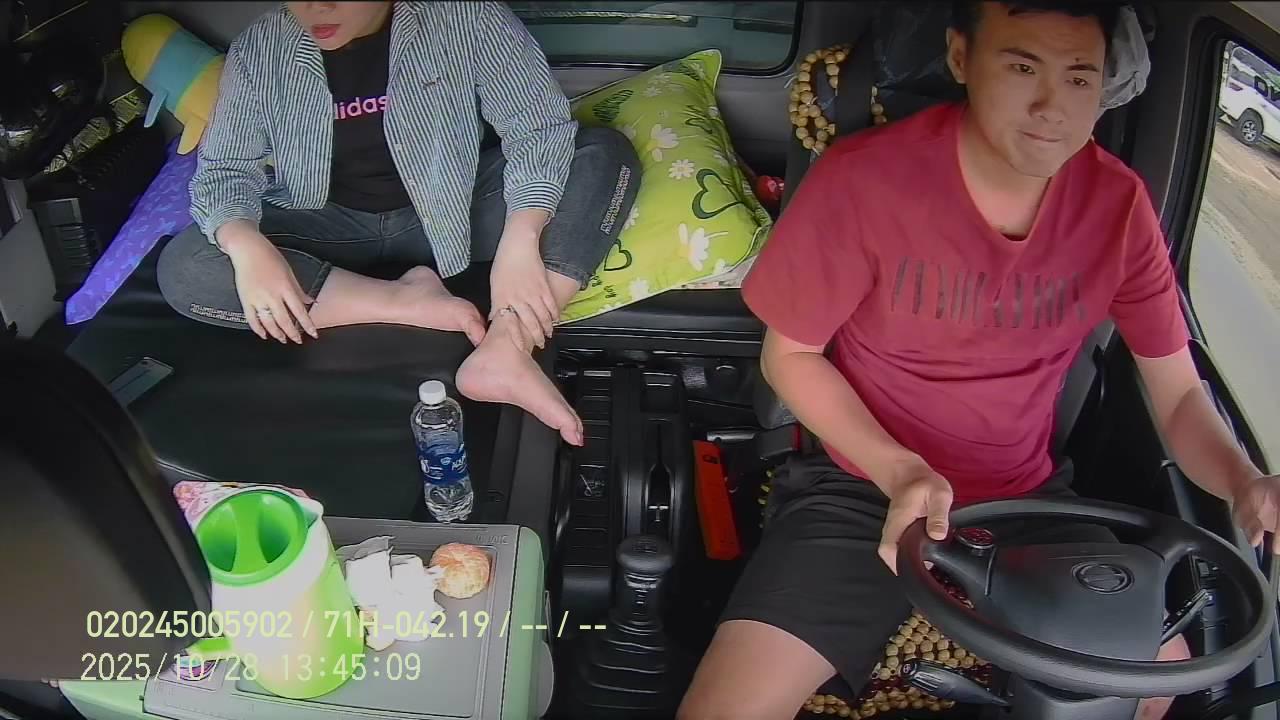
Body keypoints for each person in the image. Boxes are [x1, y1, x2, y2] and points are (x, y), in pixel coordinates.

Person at [678, 2, 1280, 719]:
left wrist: (1243, 482)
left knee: (1157, 687)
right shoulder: (864, 181)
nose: (1052, 106)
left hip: (1030, 502)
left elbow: (1178, 394)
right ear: (962, 59)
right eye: (1022, 68)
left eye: (1079, 78)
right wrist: (898, 469)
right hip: (861, 489)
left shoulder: (1119, 206)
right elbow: (792, 356)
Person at [157, 1, 641, 446]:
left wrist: (522, 239)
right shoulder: (260, 49)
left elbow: (537, 128)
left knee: (602, 153)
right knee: (188, 267)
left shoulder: (465, 15)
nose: (318, 8)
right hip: (329, 225)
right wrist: (245, 243)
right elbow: (225, 170)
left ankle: (508, 347)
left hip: (453, 215)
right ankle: (403, 300)